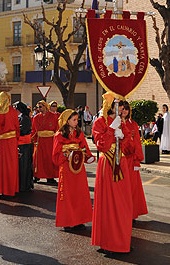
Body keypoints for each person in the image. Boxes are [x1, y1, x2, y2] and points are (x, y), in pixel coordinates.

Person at [91, 93, 134, 254]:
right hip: (108, 164)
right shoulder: (99, 122)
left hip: (120, 162)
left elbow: (129, 145)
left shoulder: (121, 122)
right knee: (109, 203)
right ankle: (108, 241)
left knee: (123, 203)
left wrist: (122, 136)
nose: (123, 110)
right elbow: (101, 145)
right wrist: (110, 130)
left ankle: (121, 238)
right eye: (119, 106)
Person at [52, 109, 94, 230]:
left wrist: (88, 157)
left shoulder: (79, 133)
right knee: (67, 194)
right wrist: (66, 156)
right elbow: (55, 156)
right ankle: (68, 221)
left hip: (79, 168)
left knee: (80, 193)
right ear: (67, 120)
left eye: (77, 120)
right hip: (66, 169)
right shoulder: (59, 135)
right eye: (74, 120)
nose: (76, 122)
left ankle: (79, 220)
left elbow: (84, 148)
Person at [118, 100, 148, 221]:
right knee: (119, 188)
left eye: (126, 108)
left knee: (132, 188)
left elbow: (137, 143)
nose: (124, 110)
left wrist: (137, 160)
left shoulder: (133, 124)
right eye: (122, 108)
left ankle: (131, 213)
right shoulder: (115, 123)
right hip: (118, 159)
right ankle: (120, 212)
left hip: (130, 160)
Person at [0, 91, 20, 199]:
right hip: (12, 141)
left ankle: (5, 190)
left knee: (3, 166)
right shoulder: (13, 111)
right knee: (12, 165)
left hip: (3, 142)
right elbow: (17, 128)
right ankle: (12, 189)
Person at [31, 100, 59, 184]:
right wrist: (32, 139)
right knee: (38, 159)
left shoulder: (53, 116)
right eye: (38, 107)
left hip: (50, 141)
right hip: (40, 141)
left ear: (45, 106)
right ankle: (36, 176)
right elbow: (34, 130)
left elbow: (57, 129)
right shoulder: (36, 117)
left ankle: (50, 177)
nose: (39, 109)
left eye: (40, 107)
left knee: (49, 159)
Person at [15, 101, 34, 192]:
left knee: (24, 166)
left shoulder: (25, 118)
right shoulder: (20, 117)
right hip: (21, 144)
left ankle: (24, 185)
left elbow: (22, 130)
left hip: (24, 145)